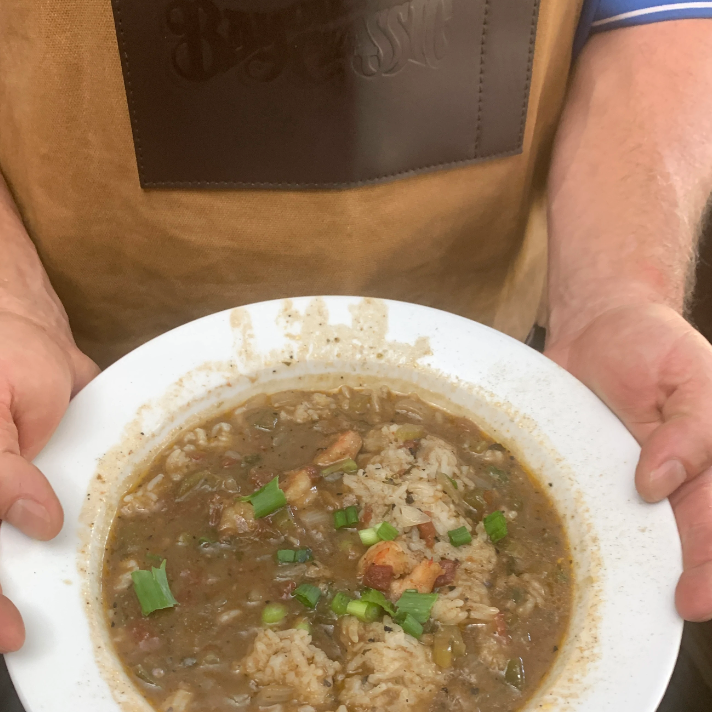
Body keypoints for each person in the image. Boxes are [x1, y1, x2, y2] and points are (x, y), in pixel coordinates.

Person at [1, 0, 712, 704]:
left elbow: (650, 16)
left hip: (516, 354)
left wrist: (615, 293)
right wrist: (11, 299)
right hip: (72, 383)